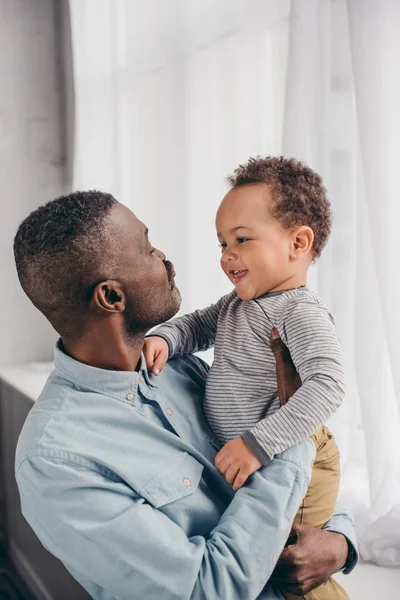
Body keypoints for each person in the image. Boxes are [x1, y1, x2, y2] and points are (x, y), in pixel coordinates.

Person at [13, 191, 357, 600]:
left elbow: (291, 464)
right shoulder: (55, 461)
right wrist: (290, 438)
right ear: (111, 297)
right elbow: (207, 589)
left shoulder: (176, 367)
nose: (165, 257)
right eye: (147, 248)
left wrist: (339, 541)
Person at [144, 157, 347, 600]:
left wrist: (258, 442)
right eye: (221, 244)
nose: (228, 255)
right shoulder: (238, 303)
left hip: (299, 458)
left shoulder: (299, 313)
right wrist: (165, 337)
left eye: (241, 239)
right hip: (255, 457)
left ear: (298, 242)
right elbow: (196, 325)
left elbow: (328, 384)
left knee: (294, 567)